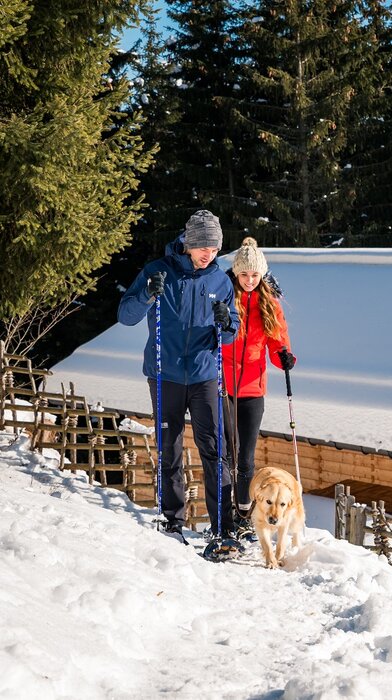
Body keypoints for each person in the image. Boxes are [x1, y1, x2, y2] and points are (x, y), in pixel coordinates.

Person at [118, 210, 240, 552]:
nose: (209, 254)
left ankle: (223, 529)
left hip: (203, 376)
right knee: (169, 448)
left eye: (214, 249)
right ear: (188, 242)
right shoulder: (158, 271)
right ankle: (172, 521)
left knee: (214, 450)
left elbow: (231, 333)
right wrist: (146, 295)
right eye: (203, 247)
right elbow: (125, 316)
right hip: (165, 374)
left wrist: (226, 324)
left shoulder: (220, 281)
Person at [222, 237, 295, 537]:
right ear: (236, 274)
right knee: (227, 454)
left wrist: (285, 357)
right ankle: (222, 513)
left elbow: (279, 342)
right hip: (222, 387)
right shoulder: (225, 298)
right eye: (244, 274)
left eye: (254, 275)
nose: (249, 280)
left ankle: (242, 512)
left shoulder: (270, 305)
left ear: (261, 275)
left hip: (253, 389)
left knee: (247, 459)